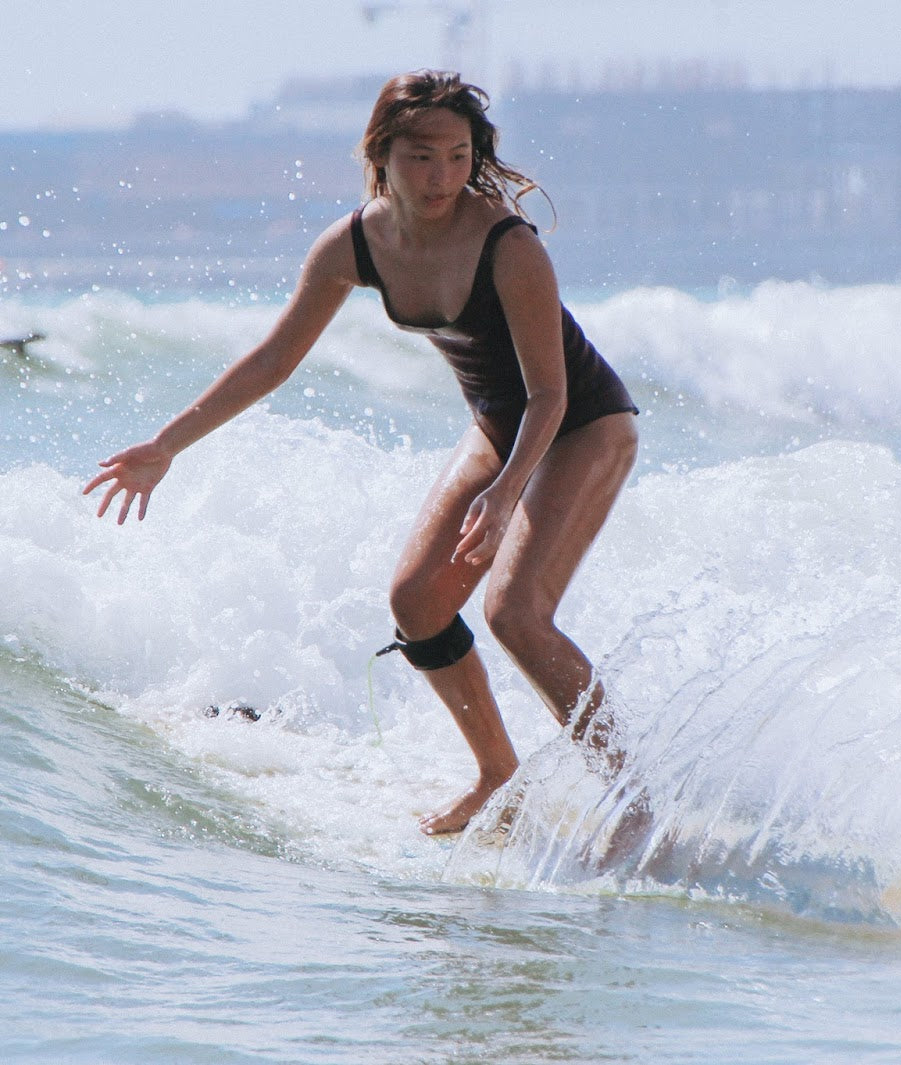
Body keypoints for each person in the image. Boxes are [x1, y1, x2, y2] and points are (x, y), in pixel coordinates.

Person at [84, 71, 640, 836]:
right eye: (420, 156)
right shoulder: (354, 243)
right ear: (382, 152)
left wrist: (508, 490)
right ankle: (497, 777)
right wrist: (167, 444)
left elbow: (550, 395)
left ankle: (640, 800)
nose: (441, 176)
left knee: (515, 612)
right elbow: (273, 360)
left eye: (456, 155)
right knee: (416, 601)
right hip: (497, 425)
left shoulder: (508, 246)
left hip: (583, 423)